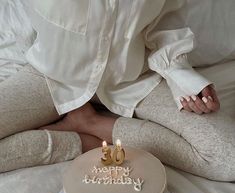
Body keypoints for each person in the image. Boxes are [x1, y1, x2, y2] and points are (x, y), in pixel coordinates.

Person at [0, 0, 234, 181]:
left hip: (131, 79)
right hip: (52, 76)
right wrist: (63, 147)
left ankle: (91, 124)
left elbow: (164, 21)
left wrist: (182, 76)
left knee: (228, 158)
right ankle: (79, 143)